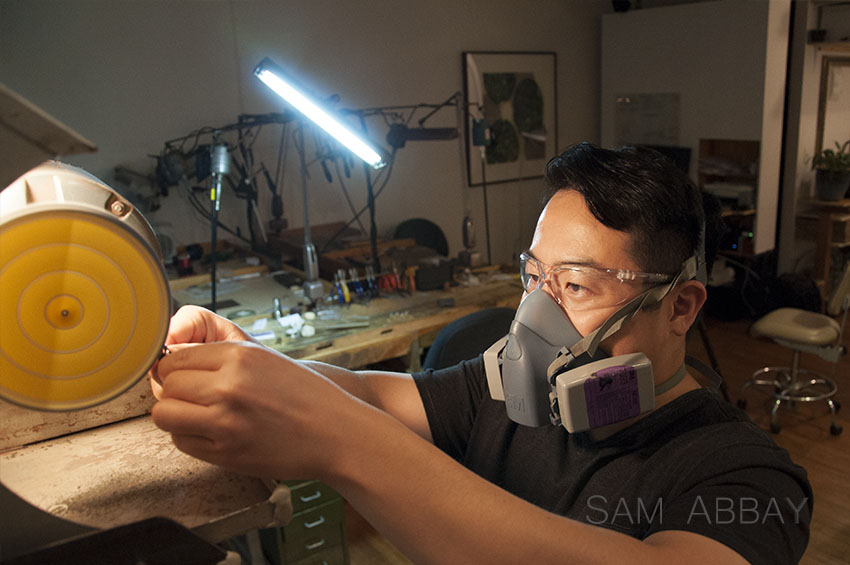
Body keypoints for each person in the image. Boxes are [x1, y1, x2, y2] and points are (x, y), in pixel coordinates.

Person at [151, 143, 811, 564]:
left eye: (575, 285)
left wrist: (344, 444)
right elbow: (377, 394)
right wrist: (260, 363)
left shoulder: (746, 480)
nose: (537, 314)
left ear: (681, 306)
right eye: (534, 277)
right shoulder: (509, 393)